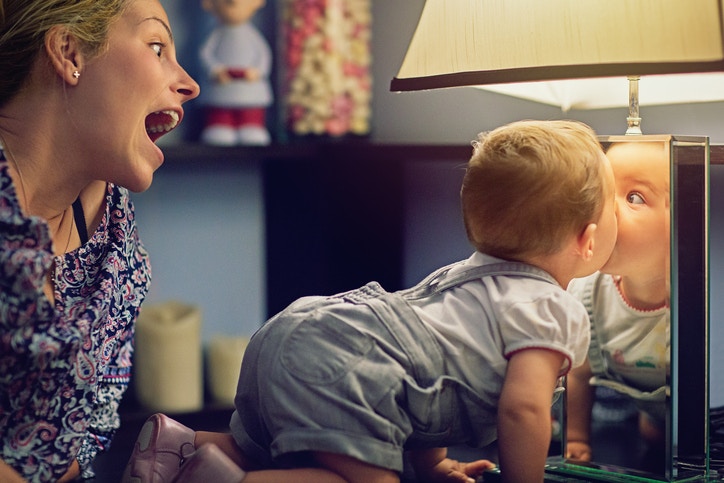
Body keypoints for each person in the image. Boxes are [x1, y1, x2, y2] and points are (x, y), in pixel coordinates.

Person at [122, 119, 618, 483]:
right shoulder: (556, 308)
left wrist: (435, 465)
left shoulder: (464, 276)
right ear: (588, 238)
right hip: (344, 359)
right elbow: (525, 410)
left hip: (303, 328)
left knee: (270, 450)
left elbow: (426, 373)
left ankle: (181, 446)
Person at [0, 0, 199, 481]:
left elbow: (82, 440)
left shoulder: (111, 227)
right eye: (157, 47)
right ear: (69, 53)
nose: (190, 84)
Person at [566, 141, 670, 463]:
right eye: (603, 193)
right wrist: (576, 438)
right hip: (651, 420)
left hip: (709, 430)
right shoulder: (586, 293)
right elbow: (578, 374)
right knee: (653, 435)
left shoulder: (700, 296)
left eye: (634, 197)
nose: (605, 210)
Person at [199, 0, 273, 145]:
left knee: (251, 114)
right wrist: (214, 70)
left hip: (249, 90)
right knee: (219, 116)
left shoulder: (252, 35)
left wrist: (257, 72)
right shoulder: (216, 34)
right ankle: (219, 125)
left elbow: (264, 56)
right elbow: (204, 55)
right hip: (221, 88)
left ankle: (252, 125)